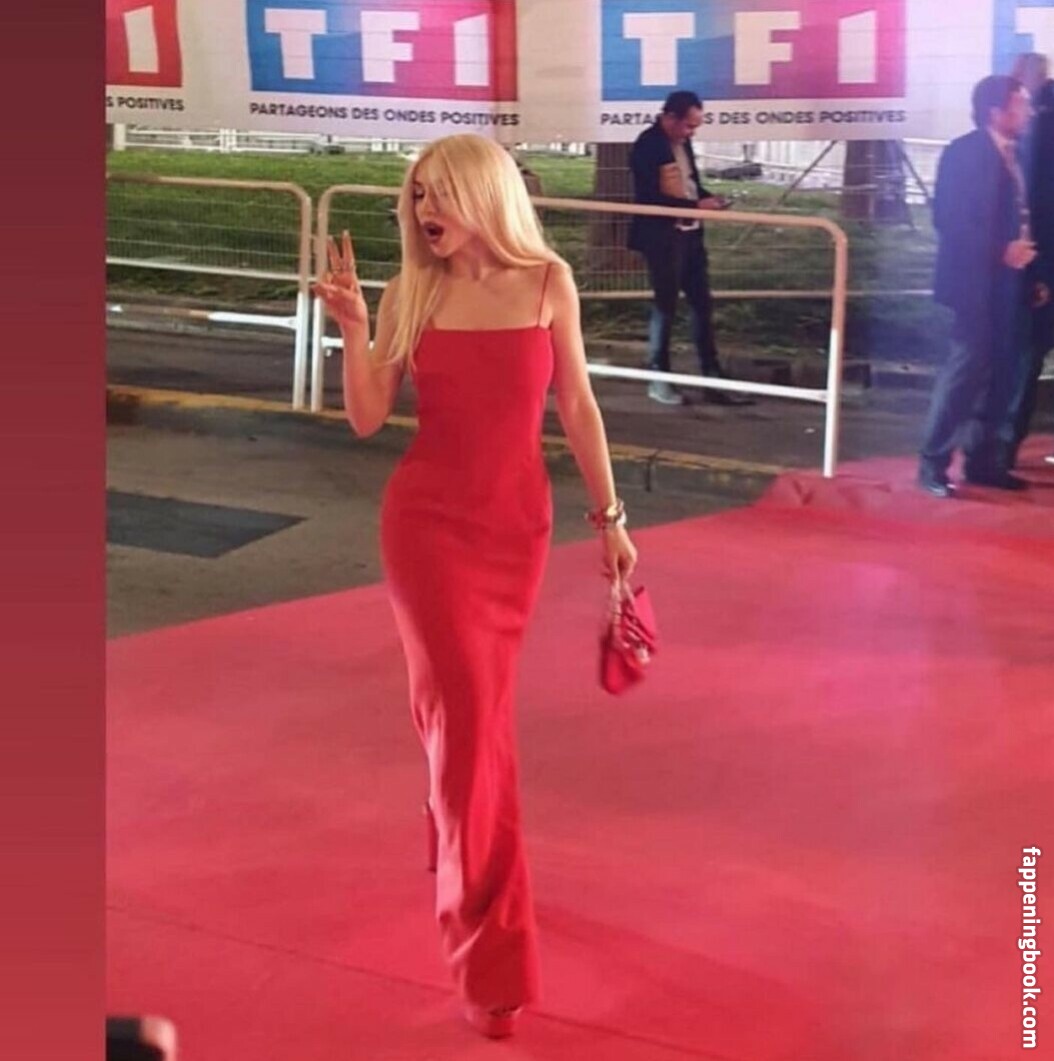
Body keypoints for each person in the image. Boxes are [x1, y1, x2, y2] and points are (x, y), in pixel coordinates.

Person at [311, 134, 638, 1040]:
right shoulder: (410, 290)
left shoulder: (548, 282)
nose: (424, 212)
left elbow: (577, 404)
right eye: (417, 196)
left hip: (515, 530)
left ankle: (452, 820)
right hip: (427, 529)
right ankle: (490, 959)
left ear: (486, 195)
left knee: (465, 721)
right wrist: (352, 327)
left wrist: (610, 520)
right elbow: (368, 417)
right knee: (469, 726)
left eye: (440, 195)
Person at [918, 75, 1042, 496]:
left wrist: (1032, 274)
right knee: (965, 371)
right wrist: (1000, 251)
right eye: (1020, 105)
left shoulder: (1018, 154)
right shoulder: (965, 153)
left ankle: (983, 460)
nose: (1028, 112)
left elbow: (1024, 216)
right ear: (996, 111)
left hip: (1013, 283)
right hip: (974, 282)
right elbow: (951, 219)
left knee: (1004, 374)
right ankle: (934, 461)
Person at [628, 89, 753, 406]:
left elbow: (691, 184)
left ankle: (712, 377)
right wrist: (696, 205)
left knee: (702, 305)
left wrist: (709, 199)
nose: (691, 133)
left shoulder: (682, 144)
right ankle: (659, 377)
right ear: (670, 118)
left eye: (695, 127)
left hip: (691, 235)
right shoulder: (647, 145)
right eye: (688, 125)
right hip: (662, 236)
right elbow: (650, 198)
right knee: (665, 306)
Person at [1005, 57, 1054, 466]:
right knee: (1025, 357)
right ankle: (1002, 446)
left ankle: (1003, 447)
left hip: (1038, 261)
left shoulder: (1036, 130)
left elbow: (1033, 202)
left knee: (1025, 357)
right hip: (1038, 261)